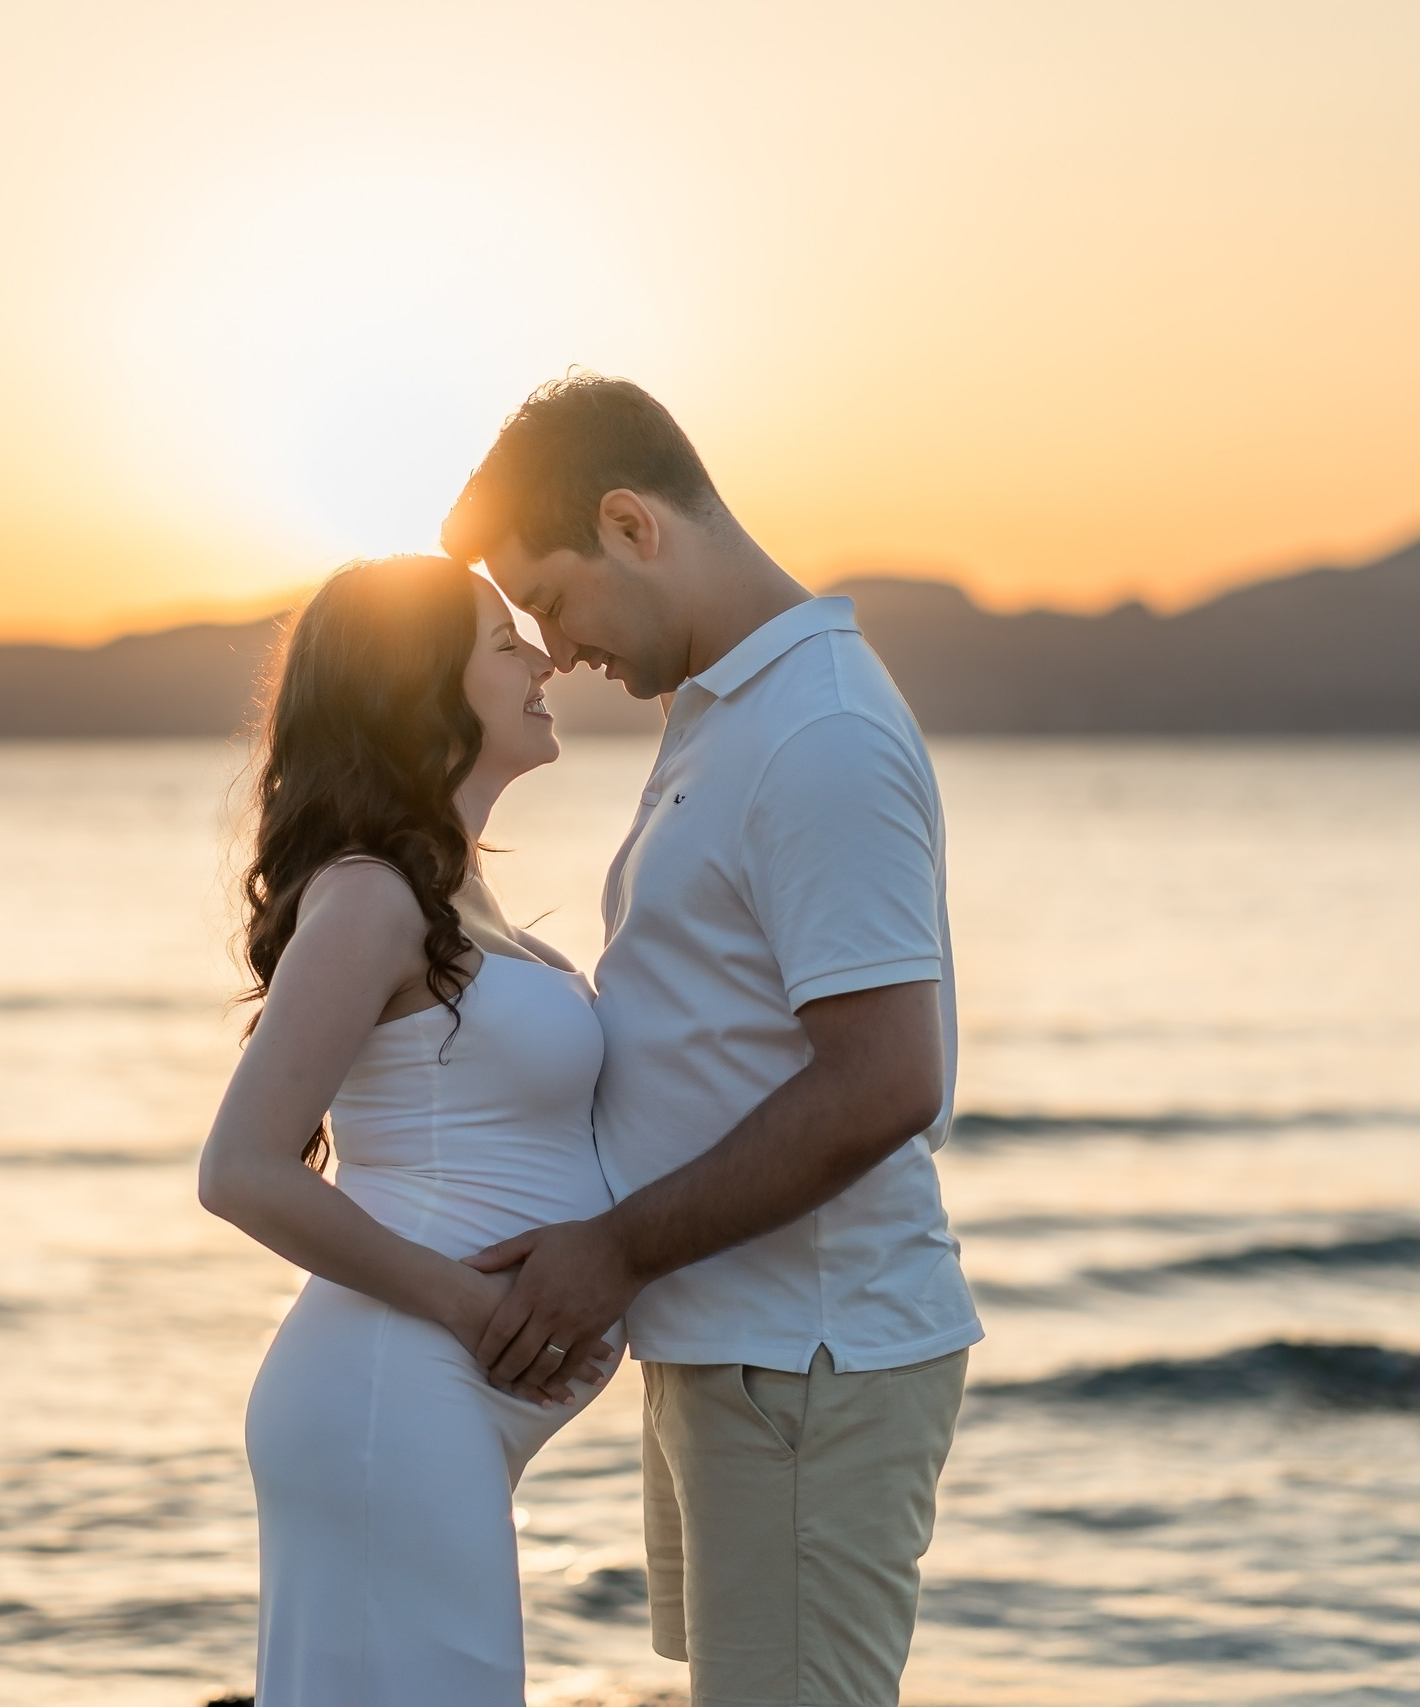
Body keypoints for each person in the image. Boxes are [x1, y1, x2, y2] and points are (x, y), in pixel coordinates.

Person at [441, 375, 984, 1707]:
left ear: (632, 524)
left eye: (552, 602)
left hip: (805, 1356)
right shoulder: (730, 713)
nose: (554, 651)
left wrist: (612, 1250)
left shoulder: (822, 732)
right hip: (731, 1342)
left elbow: (887, 1079)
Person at [197, 553, 623, 1706]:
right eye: (501, 643)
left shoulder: (450, 902)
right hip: (395, 1386)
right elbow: (238, 1170)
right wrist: (473, 1306)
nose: (540, 659)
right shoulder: (372, 898)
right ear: (415, 687)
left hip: (430, 1397)